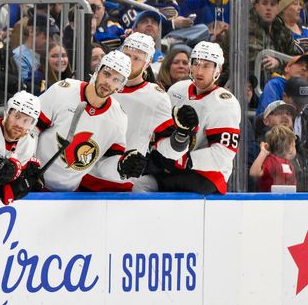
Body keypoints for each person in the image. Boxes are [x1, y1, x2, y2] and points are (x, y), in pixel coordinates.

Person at [90, 33, 190, 191]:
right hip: (82, 175)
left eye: (137, 58)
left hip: (120, 183)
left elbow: (169, 151)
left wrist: (182, 135)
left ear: (148, 63)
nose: (129, 62)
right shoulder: (100, 83)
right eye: (127, 55)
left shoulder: (156, 97)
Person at [33, 50, 141, 192]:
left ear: (120, 86)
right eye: (107, 74)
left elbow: (105, 163)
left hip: (71, 194)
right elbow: (31, 129)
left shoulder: (118, 118)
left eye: (116, 79)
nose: (108, 82)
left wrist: (121, 167)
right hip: (33, 183)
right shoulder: (63, 91)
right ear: (98, 71)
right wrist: (28, 162)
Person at [142, 41, 241, 194]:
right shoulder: (177, 90)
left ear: (218, 69)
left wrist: (183, 161)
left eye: (207, 65)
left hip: (208, 175)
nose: (199, 71)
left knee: (153, 186)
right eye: (196, 64)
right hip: (175, 167)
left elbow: (222, 155)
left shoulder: (226, 103)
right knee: (139, 183)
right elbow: (163, 131)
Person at [250, 123, 298, 191]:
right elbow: (254, 172)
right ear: (290, 147)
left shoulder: (290, 165)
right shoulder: (272, 161)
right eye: (294, 145)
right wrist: (263, 153)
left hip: (286, 201)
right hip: (270, 200)